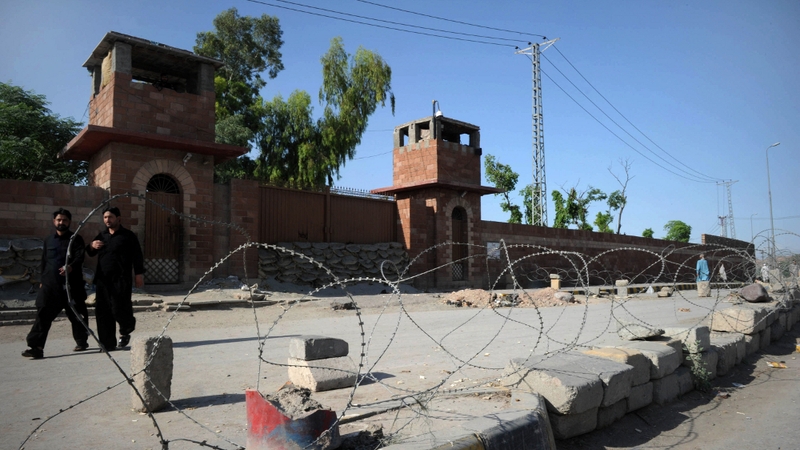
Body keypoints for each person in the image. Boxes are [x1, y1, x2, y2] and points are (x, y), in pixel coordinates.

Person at [22, 208, 89, 359]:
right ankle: (36, 347)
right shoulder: (48, 240)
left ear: (69, 222)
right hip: (50, 285)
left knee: (77, 314)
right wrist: (42, 281)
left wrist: (70, 267)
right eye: (59, 220)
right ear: (54, 222)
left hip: (72, 286)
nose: (61, 222)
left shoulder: (75, 239)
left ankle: (81, 341)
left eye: (64, 220)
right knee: (43, 314)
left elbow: (79, 258)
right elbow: (44, 261)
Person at [86, 206, 145, 351]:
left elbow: (137, 256)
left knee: (119, 308)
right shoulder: (102, 236)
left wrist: (139, 274)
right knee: (103, 311)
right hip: (103, 280)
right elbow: (90, 253)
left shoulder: (128, 236)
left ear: (118, 219)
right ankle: (107, 343)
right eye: (105, 217)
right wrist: (92, 246)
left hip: (121, 279)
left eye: (110, 217)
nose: (107, 220)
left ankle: (126, 328)